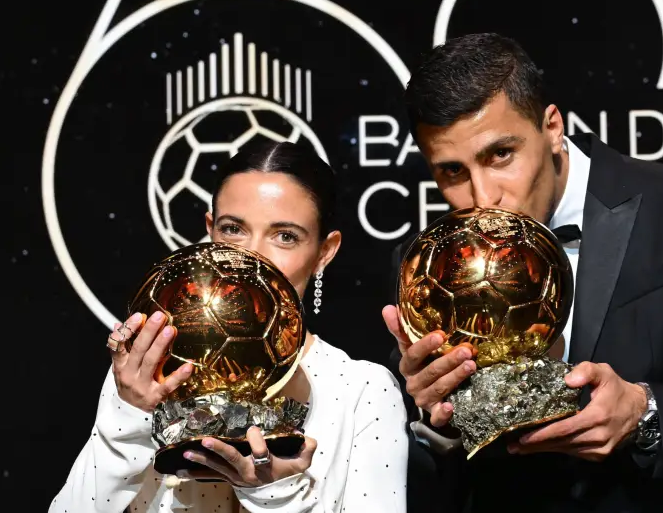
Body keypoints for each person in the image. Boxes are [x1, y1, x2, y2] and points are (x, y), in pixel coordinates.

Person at [382, 32, 663, 512]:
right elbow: (430, 466)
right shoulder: (430, 264)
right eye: (452, 172)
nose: (482, 196)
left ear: (552, 127)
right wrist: (429, 414)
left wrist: (645, 412)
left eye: (500, 155)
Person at [51, 138, 408, 513]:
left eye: (285, 236)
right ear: (210, 230)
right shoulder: (147, 373)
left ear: (324, 252)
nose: (250, 257)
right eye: (233, 229)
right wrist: (128, 417)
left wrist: (277, 495)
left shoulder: (361, 392)